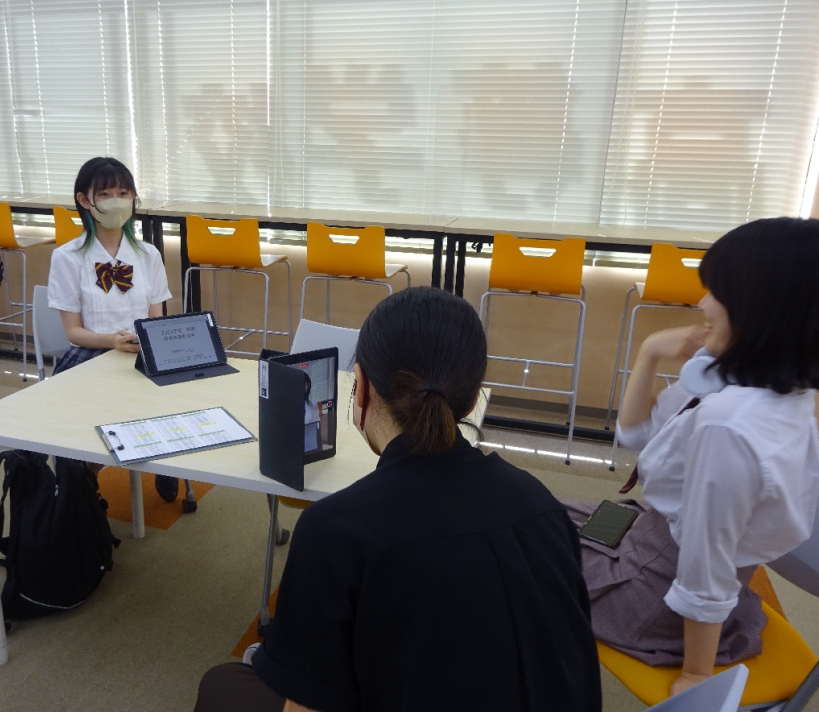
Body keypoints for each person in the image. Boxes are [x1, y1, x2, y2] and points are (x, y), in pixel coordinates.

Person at [195, 286, 602, 712]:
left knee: (222, 683)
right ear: (472, 397)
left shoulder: (334, 531)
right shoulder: (542, 506)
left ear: (362, 387)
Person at [570, 217, 819, 697]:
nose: (702, 304)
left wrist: (698, 676)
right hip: (652, 543)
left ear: (760, 310)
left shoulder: (729, 425)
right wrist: (649, 353)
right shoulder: (776, 391)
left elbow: (706, 563)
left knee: (511, 541)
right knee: (529, 510)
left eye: (716, 293)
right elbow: (636, 434)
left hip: (653, 593)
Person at [46, 156, 180, 502]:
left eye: (124, 193)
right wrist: (111, 340)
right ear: (84, 200)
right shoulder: (67, 257)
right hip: (91, 355)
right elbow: (73, 333)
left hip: (140, 352)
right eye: (105, 194)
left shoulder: (148, 254)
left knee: (182, 395)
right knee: (80, 434)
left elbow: (155, 320)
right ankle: (81, 490)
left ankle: (165, 462)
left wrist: (144, 342)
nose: (116, 202)